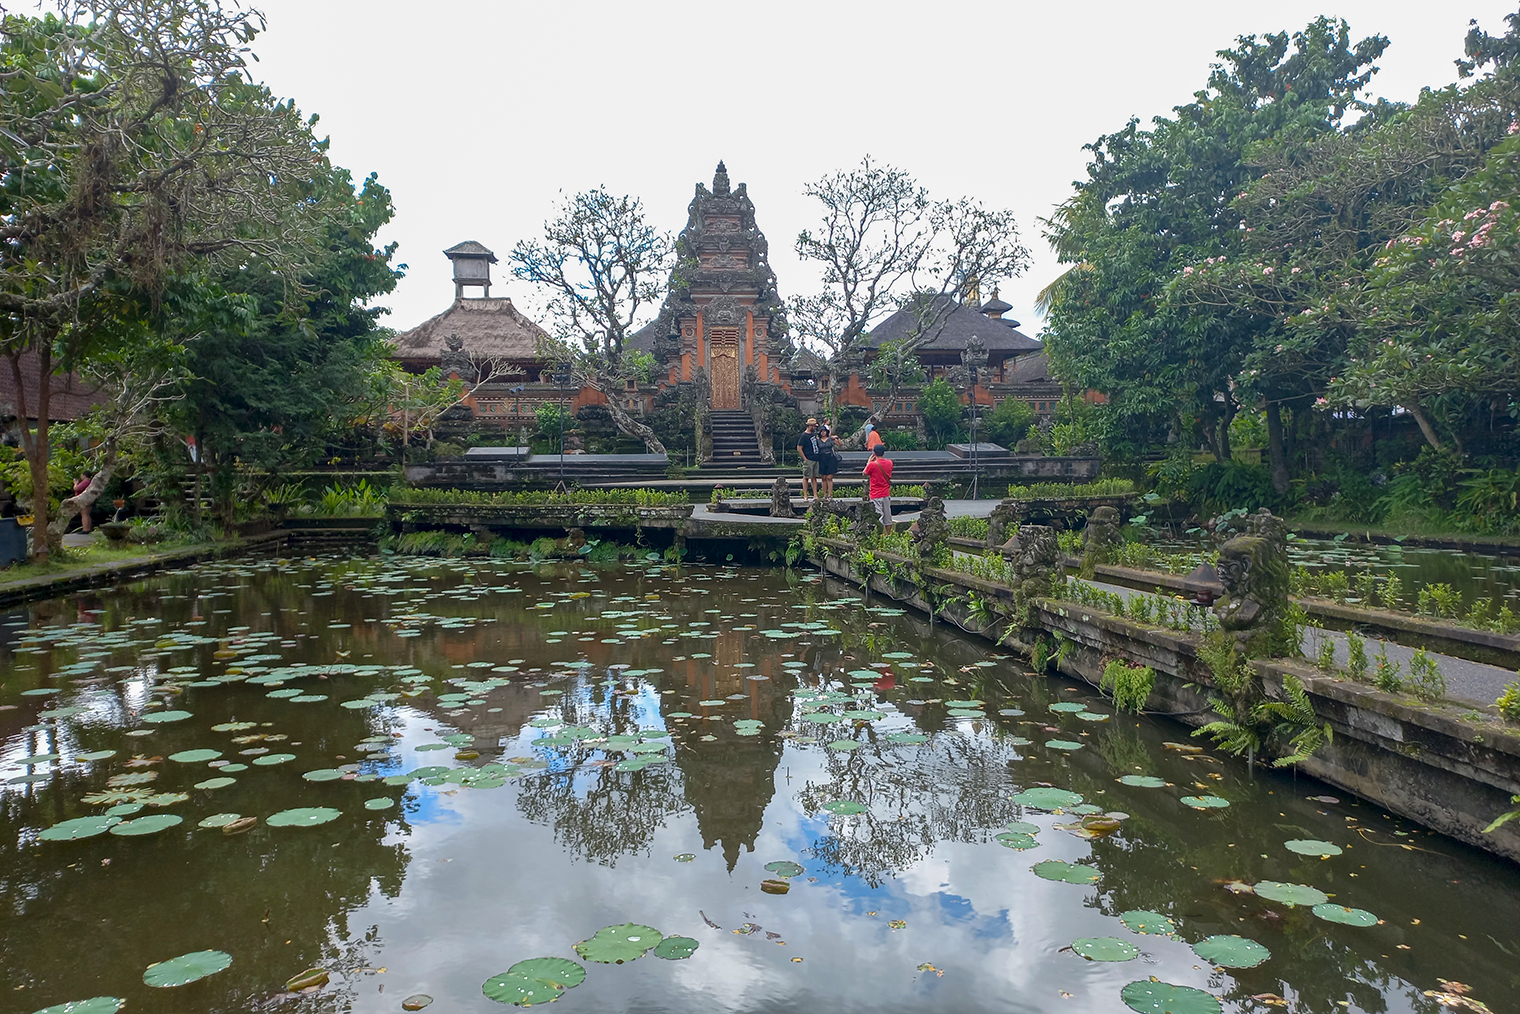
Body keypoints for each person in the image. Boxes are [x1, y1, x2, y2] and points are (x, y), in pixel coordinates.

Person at [863, 444, 893, 527]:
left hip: (875, 493)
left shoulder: (872, 465)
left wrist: (868, 462)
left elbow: (864, 473)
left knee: (878, 516)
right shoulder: (890, 463)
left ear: (874, 453)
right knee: (888, 516)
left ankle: (880, 535)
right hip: (886, 493)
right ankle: (888, 535)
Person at [796, 418, 821, 501]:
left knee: (814, 477)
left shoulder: (813, 435)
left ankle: (815, 494)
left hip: (815, 458)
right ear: (810, 426)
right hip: (808, 458)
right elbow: (799, 448)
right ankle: (805, 495)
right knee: (806, 477)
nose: (815, 428)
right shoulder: (804, 435)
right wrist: (805, 458)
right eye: (814, 426)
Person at [817, 424, 839, 499]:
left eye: (824, 431)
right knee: (823, 477)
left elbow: (840, 444)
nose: (823, 433)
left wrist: (837, 438)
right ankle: (824, 495)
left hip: (830, 458)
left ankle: (830, 494)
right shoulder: (818, 441)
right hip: (822, 458)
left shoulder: (830, 439)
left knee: (829, 477)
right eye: (821, 431)